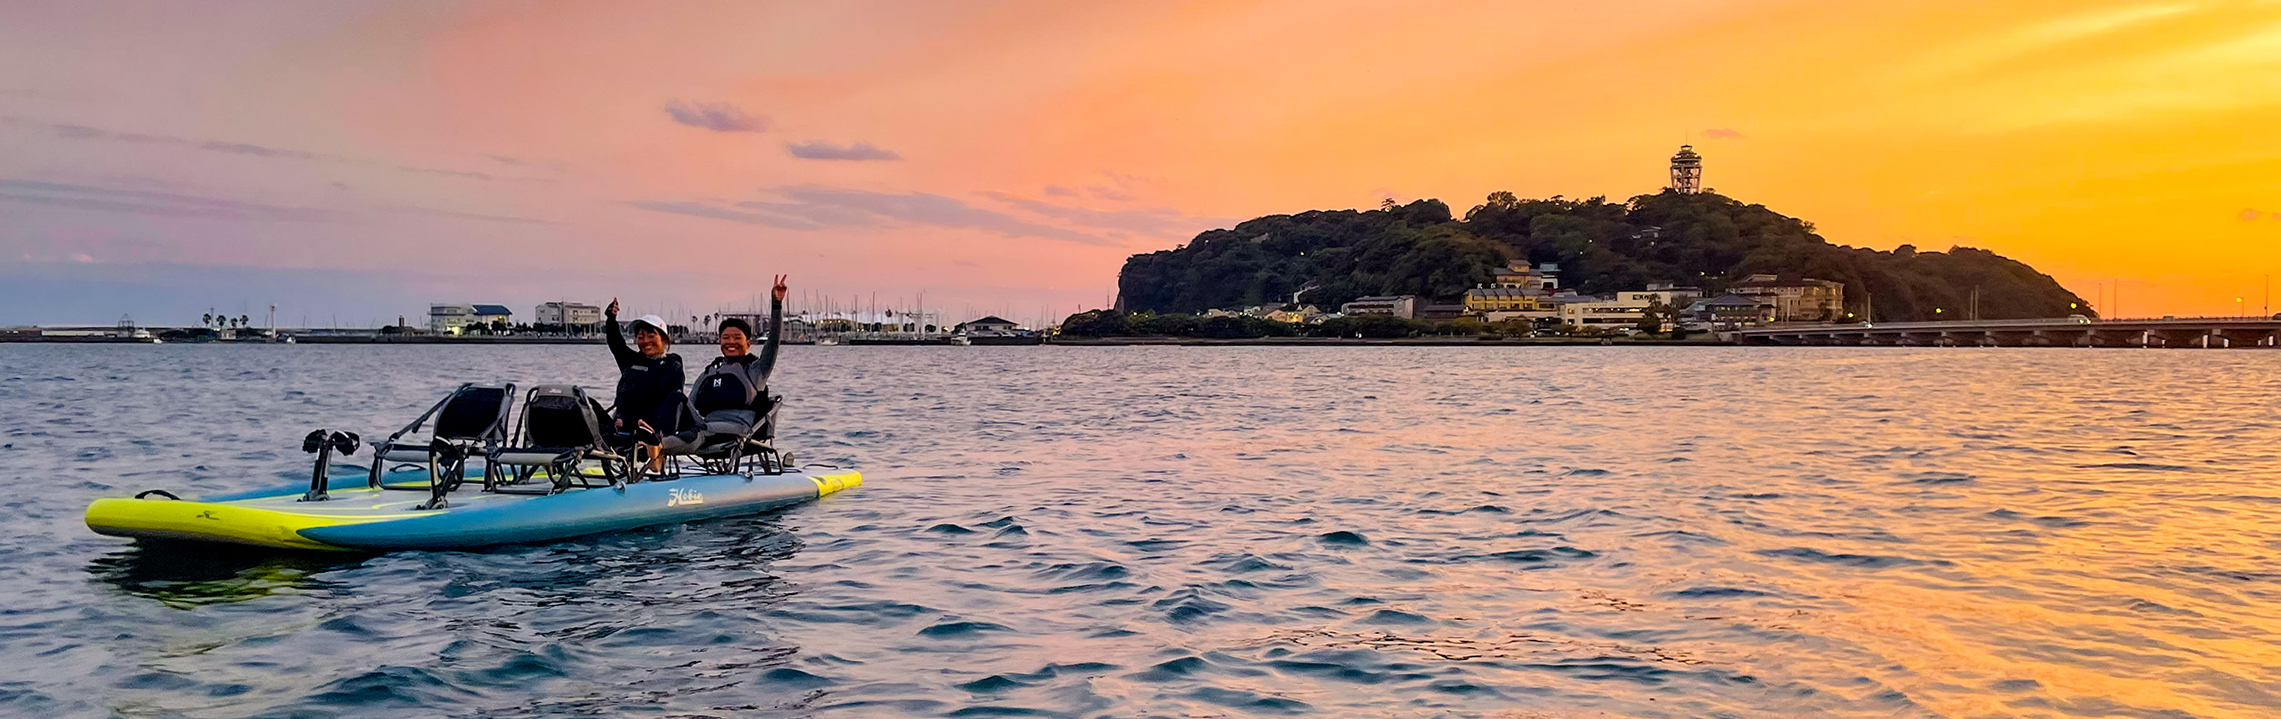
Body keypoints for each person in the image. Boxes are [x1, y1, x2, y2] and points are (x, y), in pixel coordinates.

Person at [661, 275, 787, 457]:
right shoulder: (710, 372)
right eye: (726, 338)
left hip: (738, 428)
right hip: (704, 425)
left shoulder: (756, 370)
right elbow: (690, 404)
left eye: (737, 338)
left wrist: (776, 305)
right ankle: (655, 442)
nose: (731, 342)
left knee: (699, 431)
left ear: (748, 343)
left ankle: (659, 448)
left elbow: (773, 341)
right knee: (675, 397)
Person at [602, 299, 685, 458]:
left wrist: (633, 422)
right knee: (583, 406)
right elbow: (616, 343)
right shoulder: (631, 361)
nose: (645, 341)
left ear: (664, 339)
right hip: (621, 426)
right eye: (640, 337)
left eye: (651, 336)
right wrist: (611, 318)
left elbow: (670, 406)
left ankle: (656, 458)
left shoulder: (671, 366)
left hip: (649, 429)